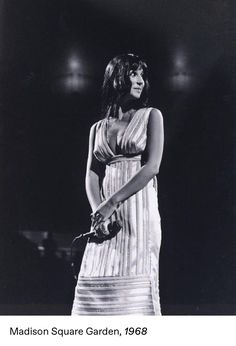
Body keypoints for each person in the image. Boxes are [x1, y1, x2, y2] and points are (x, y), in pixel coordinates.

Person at [71, 53, 164, 315]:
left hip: (138, 213)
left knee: (134, 295)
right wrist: (98, 212)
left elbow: (152, 166)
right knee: (95, 286)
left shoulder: (151, 116)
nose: (140, 81)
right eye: (134, 74)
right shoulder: (97, 128)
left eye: (142, 76)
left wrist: (111, 203)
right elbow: (91, 173)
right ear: (116, 78)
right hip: (105, 216)